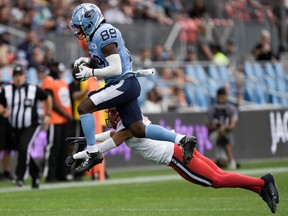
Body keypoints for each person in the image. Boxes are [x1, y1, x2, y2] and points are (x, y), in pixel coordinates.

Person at [65, 108, 279, 214]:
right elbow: (111, 134)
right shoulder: (133, 119)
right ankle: (260, 189)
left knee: (215, 180)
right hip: (178, 148)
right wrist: (88, 139)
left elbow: (110, 144)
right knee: (219, 176)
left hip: (174, 156)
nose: (110, 117)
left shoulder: (128, 128)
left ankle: (263, 183)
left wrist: (80, 154)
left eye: (112, 113)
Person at [70, 3, 196, 173]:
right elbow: (104, 62)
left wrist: (90, 72)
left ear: (89, 21)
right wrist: (87, 62)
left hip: (122, 83)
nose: (78, 30)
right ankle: (183, 139)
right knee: (138, 128)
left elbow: (116, 69)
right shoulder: (96, 35)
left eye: (79, 26)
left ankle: (93, 152)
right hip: (125, 84)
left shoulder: (103, 33)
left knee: (84, 107)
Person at [0, 64, 52, 188]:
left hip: (31, 125)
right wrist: (3, 111)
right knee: (23, 150)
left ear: (25, 76)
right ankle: (36, 174)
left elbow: (47, 97)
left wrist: (48, 115)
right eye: (16, 75)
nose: (18, 78)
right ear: (13, 77)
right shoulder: (7, 90)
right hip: (15, 126)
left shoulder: (33, 89)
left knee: (23, 148)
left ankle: (20, 177)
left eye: (20, 75)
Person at [41, 61, 73, 182]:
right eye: (55, 65)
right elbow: (51, 102)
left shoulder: (62, 81)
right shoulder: (48, 81)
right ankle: (50, 174)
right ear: (50, 67)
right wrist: (66, 114)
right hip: (55, 120)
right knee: (53, 147)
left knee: (63, 148)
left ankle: (61, 173)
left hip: (65, 120)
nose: (58, 68)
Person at [206, 87, 238, 169]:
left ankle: (225, 161)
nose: (220, 98)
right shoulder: (212, 109)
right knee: (223, 136)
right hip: (214, 134)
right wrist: (216, 127)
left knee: (221, 161)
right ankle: (231, 161)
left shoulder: (231, 108)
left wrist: (224, 127)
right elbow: (208, 125)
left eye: (222, 96)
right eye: (219, 96)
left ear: (225, 96)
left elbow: (232, 125)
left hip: (226, 133)